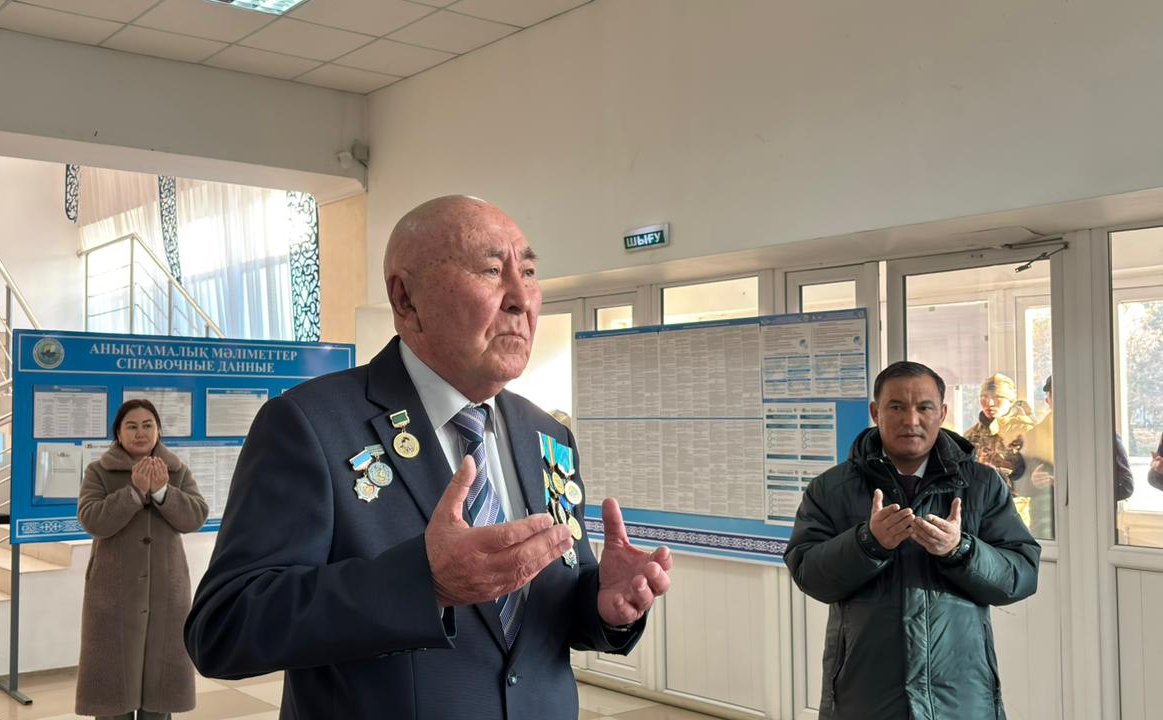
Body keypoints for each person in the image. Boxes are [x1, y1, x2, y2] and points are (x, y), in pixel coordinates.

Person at [185, 195, 672, 719]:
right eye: (491, 270)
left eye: (528, 272)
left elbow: (545, 617)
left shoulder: (547, 434)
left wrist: (603, 604)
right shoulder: (311, 424)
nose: (520, 299)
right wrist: (424, 583)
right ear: (406, 298)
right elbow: (224, 628)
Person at [784, 361, 1040, 720]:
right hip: (865, 693)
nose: (911, 420)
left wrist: (961, 550)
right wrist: (867, 543)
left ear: (942, 413)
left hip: (960, 694)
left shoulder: (981, 485)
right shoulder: (831, 488)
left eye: (924, 407)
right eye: (897, 407)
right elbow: (808, 573)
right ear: (875, 412)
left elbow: (1020, 575)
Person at [75, 399, 210, 720]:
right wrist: (134, 492)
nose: (140, 432)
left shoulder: (176, 470)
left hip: (166, 591)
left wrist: (163, 491)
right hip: (112, 594)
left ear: (158, 430)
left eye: (148, 425)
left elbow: (196, 517)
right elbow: (92, 520)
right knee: (113, 695)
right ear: (118, 433)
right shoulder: (99, 471)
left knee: (159, 696)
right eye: (131, 426)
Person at [1014, 376, 1134, 538]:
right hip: (1046, 533)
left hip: (1092, 531)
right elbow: (1018, 485)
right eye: (1057, 396)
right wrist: (1033, 482)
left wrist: (1075, 486)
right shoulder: (1032, 437)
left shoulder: (1104, 436)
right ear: (1048, 400)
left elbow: (1125, 486)